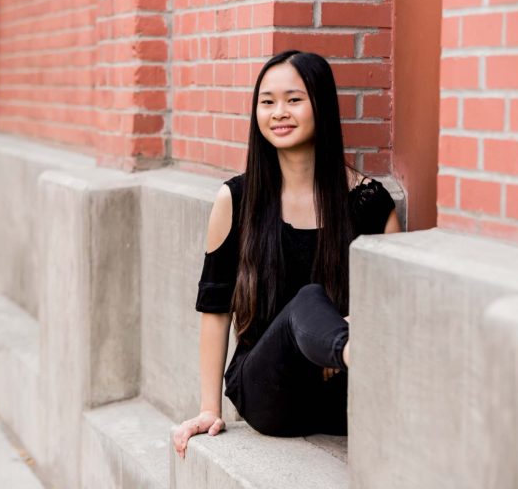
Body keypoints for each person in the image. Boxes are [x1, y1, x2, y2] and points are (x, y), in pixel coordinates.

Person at [172, 50, 401, 458]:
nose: (279, 112)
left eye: (294, 100)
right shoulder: (238, 199)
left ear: (322, 105)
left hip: (340, 397)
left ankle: (345, 347)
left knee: (327, 311)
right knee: (309, 299)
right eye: (267, 101)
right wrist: (209, 408)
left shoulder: (368, 203)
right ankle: (350, 348)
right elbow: (215, 307)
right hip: (269, 392)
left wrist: (347, 323)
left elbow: (390, 305)